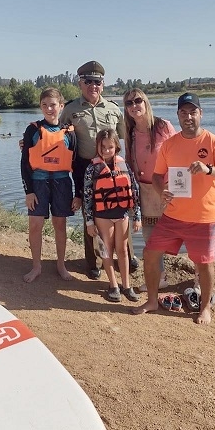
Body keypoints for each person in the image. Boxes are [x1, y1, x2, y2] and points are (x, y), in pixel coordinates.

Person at [132, 93, 215, 325]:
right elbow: (158, 175)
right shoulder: (170, 144)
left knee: (205, 263)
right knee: (150, 253)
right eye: (183, 112)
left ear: (201, 113)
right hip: (173, 215)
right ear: (178, 115)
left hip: (204, 217)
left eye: (192, 112)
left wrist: (209, 170)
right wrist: (161, 191)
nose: (188, 117)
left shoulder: (213, 142)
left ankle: (205, 307)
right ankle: (151, 301)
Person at [59, 61, 138, 280]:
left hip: (114, 167)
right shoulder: (71, 109)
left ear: (103, 84)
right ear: (80, 83)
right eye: (88, 82)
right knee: (90, 215)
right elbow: (58, 135)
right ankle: (92, 261)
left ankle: (128, 257)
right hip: (86, 167)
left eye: (97, 82)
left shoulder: (113, 109)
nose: (93, 86)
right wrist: (28, 142)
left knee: (121, 210)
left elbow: (128, 138)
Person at [20, 87, 77, 283]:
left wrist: (77, 193)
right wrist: (29, 191)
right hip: (38, 183)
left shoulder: (69, 132)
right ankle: (36, 266)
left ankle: (61, 264)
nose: (49, 109)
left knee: (60, 224)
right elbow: (24, 163)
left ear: (61, 106)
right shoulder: (33, 130)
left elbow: (76, 164)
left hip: (62, 183)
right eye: (44, 105)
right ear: (40, 106)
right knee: (35, 225)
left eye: (53, 105)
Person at [123, 88, 176, 291]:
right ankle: (159, 278)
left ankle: (200, 280)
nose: (134, 105)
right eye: (129, 103)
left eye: (138, 101)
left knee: (183, 232)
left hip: (166, 189)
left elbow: (178, 153)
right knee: (150, 238)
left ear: (145, 103)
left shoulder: (163, 126)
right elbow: (129, 162)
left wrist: (173, 186)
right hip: (144, 191)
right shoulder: (130, 132)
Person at [83, 129, 141, 303]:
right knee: (106, 250)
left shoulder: (124, 166)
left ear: (117, 146)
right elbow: (87, 196)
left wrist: (137, 216)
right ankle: (113, 285)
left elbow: (135, 192)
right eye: (103, 147)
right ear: (98, 147)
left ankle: (126, 285)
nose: (107, 150)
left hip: (121, 213)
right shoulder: (92, 168)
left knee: (123, 250)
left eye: (110, 147)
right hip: (102, 215)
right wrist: (89, 222)